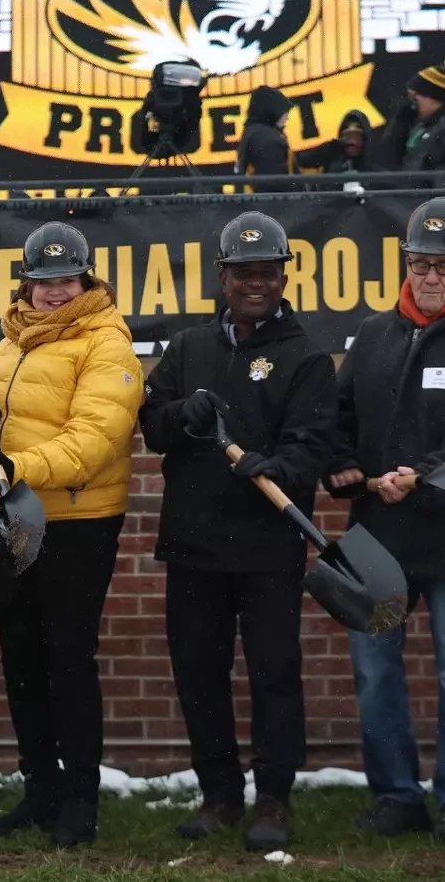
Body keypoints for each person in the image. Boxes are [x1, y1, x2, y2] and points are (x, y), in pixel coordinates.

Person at [325, 197, 445, 843]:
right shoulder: (374, 335)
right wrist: (343, 464)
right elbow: (339, 420)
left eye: (443, 264)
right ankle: (396, 797)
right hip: (376, 538)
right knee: (374, 670)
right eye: (419, 263)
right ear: (405, 264)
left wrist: (417, 473)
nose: (430, 276)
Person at [140, 211, 336, 852]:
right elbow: (152, 427)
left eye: (268, 273)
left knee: (273, 673)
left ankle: (273, 797)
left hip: (267, 548)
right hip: (194, 543)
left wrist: (272, 465)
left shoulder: (305, 358)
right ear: (222, 278)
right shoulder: (188, 347)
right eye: (243, 273)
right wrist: (181, 411)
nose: (257, 284)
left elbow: (311, 446)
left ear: (283, 278)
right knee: (199, 673)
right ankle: (219, 794)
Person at [0, 221, 143, 849]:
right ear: (27, 284)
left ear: (85, 280)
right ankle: (40, 787)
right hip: (13, 517)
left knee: (67, 658)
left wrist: (19, 469)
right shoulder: (16, 337)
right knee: (21, 658)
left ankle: (81, 800)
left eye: (66, 280)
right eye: (44, 281)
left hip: (75, 521)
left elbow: (96, 439)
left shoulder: (108, 343)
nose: (55, 292)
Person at [381, 57, 445, 172]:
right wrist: (401, 122)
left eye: (415, 100)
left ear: (432, 98)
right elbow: (392, 158)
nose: (412, 106)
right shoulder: (427, 126)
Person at [295, 110, 378, 180]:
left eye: (357, 137)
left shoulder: (373, 163)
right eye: (348, 137)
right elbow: (302, 161)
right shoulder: (332, 157)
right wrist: (331, 146)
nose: (352, 142)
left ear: (365, 139)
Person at [234, 85, 296, 177]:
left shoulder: (254, 133)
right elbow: (275, 184)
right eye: (284, 113)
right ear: (274, 111)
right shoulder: (268, 140)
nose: (287, 118)